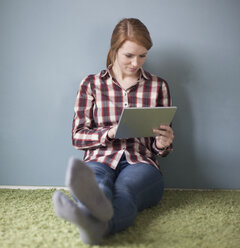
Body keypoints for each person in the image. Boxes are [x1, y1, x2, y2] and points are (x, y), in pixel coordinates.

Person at [52, 18, 174, 245]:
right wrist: (109, 133)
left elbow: (159, 149)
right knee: (97, 186)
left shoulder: (158, 86)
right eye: (129, 55)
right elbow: (77, 137)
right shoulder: (91, 84)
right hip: (100, 158)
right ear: (114, 50)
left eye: (142, 55)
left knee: (124, 190)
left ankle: (92, 224)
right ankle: (96, 222)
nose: (136, 63)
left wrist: (163, 144)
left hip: (141, 162)